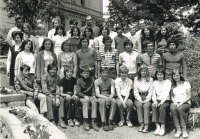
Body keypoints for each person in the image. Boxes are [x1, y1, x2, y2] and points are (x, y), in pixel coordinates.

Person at [41, 64, 67, 128]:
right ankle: (51, 119)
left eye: (54, 69)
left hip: (55, 94)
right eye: (51, 69)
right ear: (48, 70)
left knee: (61, 99)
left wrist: (57, 97)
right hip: (47, 94)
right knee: (49, 100)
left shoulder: (58, 77)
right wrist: (52, 97)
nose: (53, 71)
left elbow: (58, 88)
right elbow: (44, 89)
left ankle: (61, 119)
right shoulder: (44, 77)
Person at [76, 66, 99, 131]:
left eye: (87, 73)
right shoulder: (79, 81)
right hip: (82, 97)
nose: (86, 75)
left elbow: (93, 90)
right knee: (86, 102)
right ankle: (85, 121)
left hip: (90, 96)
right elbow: (78, 92)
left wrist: (94, 96)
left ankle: (93, 121)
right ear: (81, 74)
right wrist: (84, 96)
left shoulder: (91, 80)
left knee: (94, 101)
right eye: (84, 73)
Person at [170, 69, 191, 138]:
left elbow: (189, 96)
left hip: (185, 102)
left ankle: (184, 130)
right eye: (174, 76)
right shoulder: (172, 85)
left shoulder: (186, 83)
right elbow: (172, 97)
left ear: (180, 75)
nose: (176, 77)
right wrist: (175, 101)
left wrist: (182, 102)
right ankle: (178, 130)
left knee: (180, 108)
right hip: (176, 102)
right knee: (173, 109)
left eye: (177, 75)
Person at [134, 65, 153, 133]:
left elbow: (151, 91)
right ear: (140, 72)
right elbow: (135, 91)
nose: (143, 72)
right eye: (142, 71)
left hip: (147, 96)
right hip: (139, 96)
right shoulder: (136, 79)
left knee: (146, 106)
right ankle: (141, 124)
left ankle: (146, 125)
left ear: (147, 72)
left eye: (145, 71)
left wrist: (147, 99)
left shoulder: (150, 79)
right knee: (139, 105)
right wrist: (140, 99)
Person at [152, 68, 171, 136]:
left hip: (166, 100)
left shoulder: (167, 82)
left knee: (161, 108)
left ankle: (163, 127)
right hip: (157, 100)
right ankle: (157, 126)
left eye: (161, 74)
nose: (159, 76)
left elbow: (166, 93)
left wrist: (162, 102)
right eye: (158, 74)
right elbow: (153, 93)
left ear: (164, 75)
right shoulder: (154, 82)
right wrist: (154, 101)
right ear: (156, 75)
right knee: (153, 106)